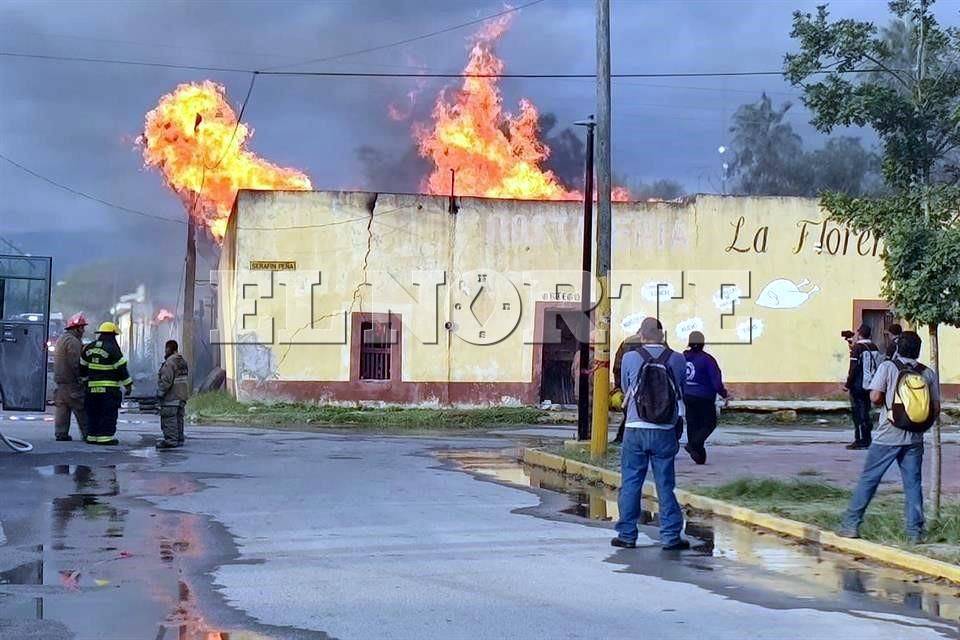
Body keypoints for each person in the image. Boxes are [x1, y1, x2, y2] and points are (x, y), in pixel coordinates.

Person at [839, 331, 939, 544]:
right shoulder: (928, 373)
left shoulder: (888, 367)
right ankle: (914, 533)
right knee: (913, 484)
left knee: (869, 479)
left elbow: (875, 396)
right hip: (914, 439)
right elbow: (936, 408)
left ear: (898, 348)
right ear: (918, 350)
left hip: (887, 434)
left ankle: (850, 525)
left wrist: (885, 400)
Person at [611, 317, 690, 551]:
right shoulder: (678, 359)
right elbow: (681, 389)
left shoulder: (630, 357)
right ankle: (670, 537)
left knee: (631, 482)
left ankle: (627, 535)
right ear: (662, 335)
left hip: (635, 428)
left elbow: (626, 388)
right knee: (665, 484)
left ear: (641, 336)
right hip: (665, 429)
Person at [80, 322, 132, 446]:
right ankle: (105, 438)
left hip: (91, 390)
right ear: (112, 335)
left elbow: (82, 368)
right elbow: (122, 369)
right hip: (108, 390)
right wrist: (128, 385)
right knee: (107, 413)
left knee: (93, 413)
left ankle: (92, 436)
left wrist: (86, 382)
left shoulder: (88, 348)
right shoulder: (113, 349)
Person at [682, 331, 729, 464]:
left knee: (693, 423)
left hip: (687, 394)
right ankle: (693, 445)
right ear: (703, 343)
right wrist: (724, 394)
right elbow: (716, 382)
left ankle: (699, 456)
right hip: (704, 396)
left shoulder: (683, 358)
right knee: (709, 423)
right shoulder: (707, 359)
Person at [53, 313, 89, 441]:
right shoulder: (73, 342)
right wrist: (82, 377)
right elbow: (75, 362)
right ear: (76, 328)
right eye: (82, 327)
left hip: (61, 383)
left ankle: (61, 433)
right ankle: (88, 434)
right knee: (81, 408)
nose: (83, 330)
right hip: (71, 383)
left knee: (62, 408)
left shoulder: (62, 339)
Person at [844, 324, 881, 450]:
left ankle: (860, 440)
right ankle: (867, 438)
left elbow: (853, 368)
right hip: (870, 384)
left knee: (858, 413)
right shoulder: (874, 347)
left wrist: (848, 384)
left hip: (858, 385)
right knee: (866, 411)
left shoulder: (858, 348)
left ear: (859, 334)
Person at [611, 328, 645, 444]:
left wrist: (619, 387)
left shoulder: (626, 343)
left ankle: (622, 438)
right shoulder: (658, 344)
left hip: (630, 386)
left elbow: (618, 367)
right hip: (652, 387)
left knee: (630, 413)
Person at [156, 339, 189, 450]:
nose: (165, 351)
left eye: (166, 349)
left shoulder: (170, 363)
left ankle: (171, 441)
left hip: (171, 396)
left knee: (169, 419)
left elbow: (166, 380)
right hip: (182, 395)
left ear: (169, 349)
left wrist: (160, 393)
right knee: (178, 419)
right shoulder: (182, 362)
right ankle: (179, 439)